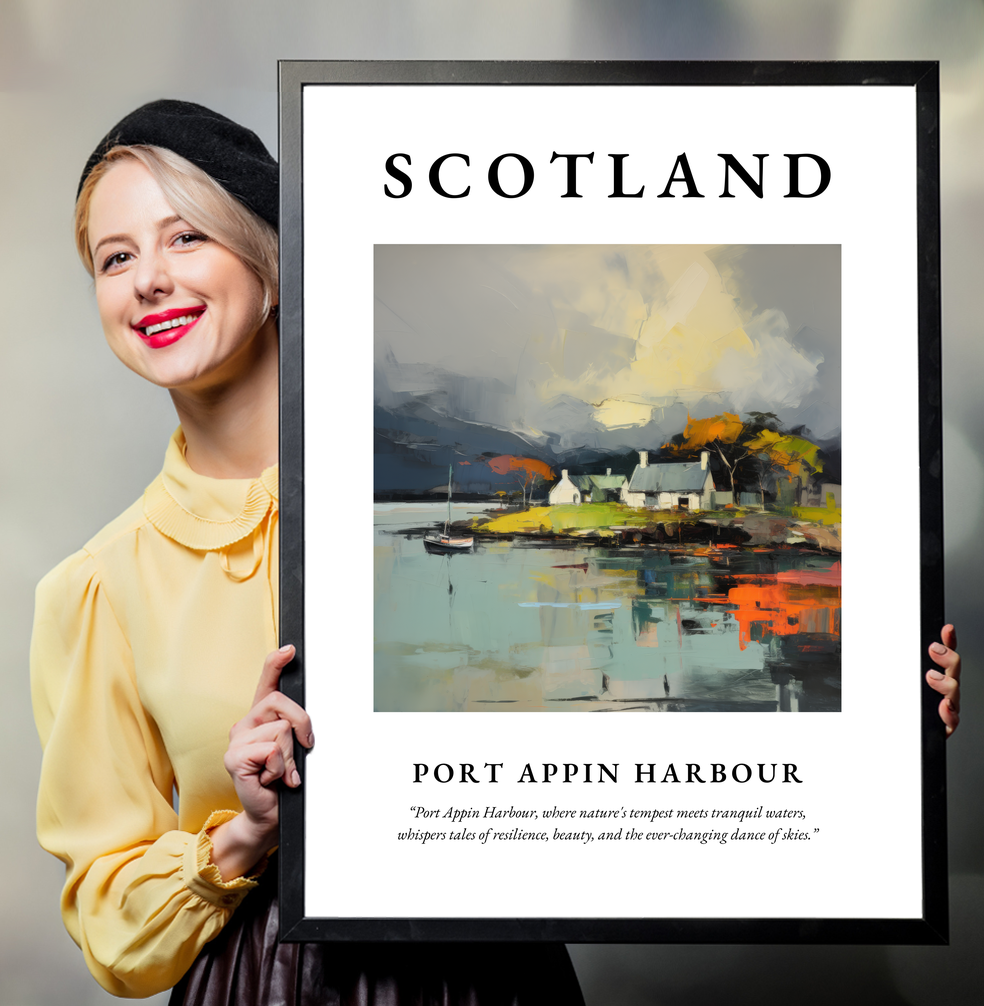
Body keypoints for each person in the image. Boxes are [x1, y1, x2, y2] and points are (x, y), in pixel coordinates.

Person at [30, 100, 585, 1004]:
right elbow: (110, 924)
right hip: (263, 982)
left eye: (186, 239)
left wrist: (886, 705)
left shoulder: (450, 499)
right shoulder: (97, 587)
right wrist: (245, 832)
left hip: (493, 973)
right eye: (116, 257)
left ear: (274, 264)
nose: (148, 281)